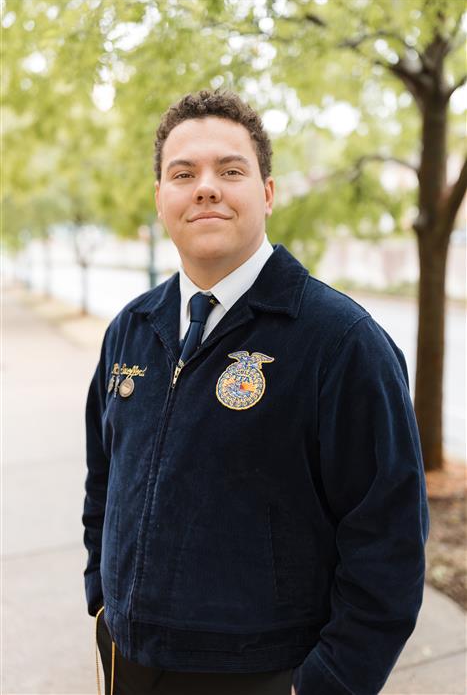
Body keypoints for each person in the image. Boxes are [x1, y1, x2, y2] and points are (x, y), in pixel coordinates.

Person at [82, 89, 429, 695]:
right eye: (183, 174)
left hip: (264, 674)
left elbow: (389, 541)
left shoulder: (341, 342)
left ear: (267, 193)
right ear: (160, 198)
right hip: (128, 660)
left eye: (230, 170)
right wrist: (101, 599)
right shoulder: (130, 329)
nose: (205, 188)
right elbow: (103, 480)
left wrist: (324, 684)